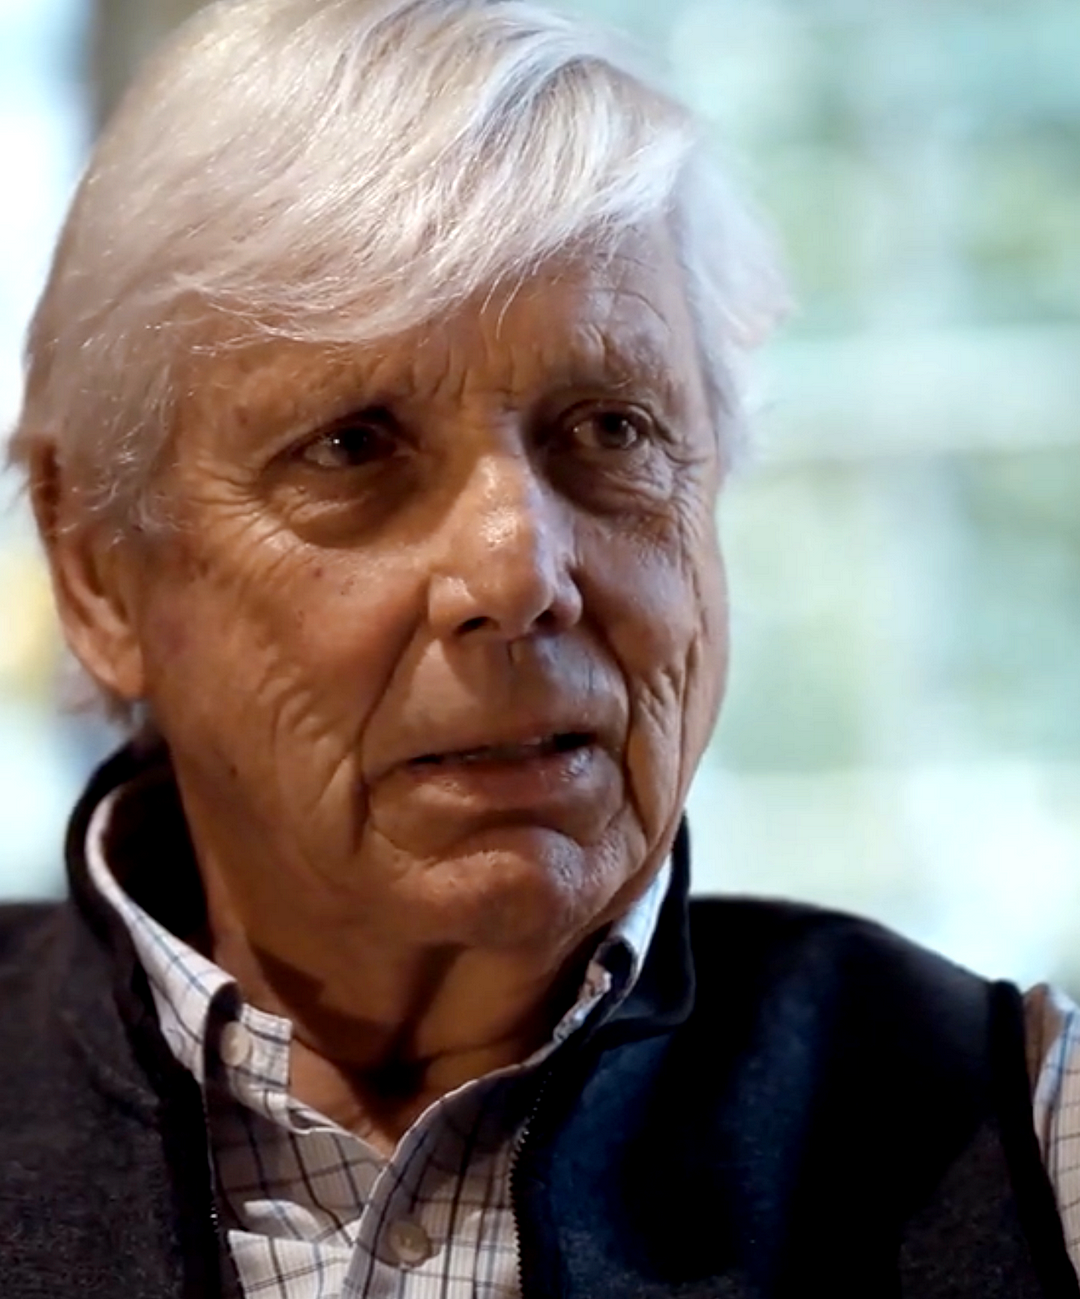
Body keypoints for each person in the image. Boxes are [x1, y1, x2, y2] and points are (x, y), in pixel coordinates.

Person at [2, 1, 1078, 1295]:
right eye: (353, 446)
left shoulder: (1021, 1138)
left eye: (612, 429)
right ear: (97, 571)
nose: (519, 574)